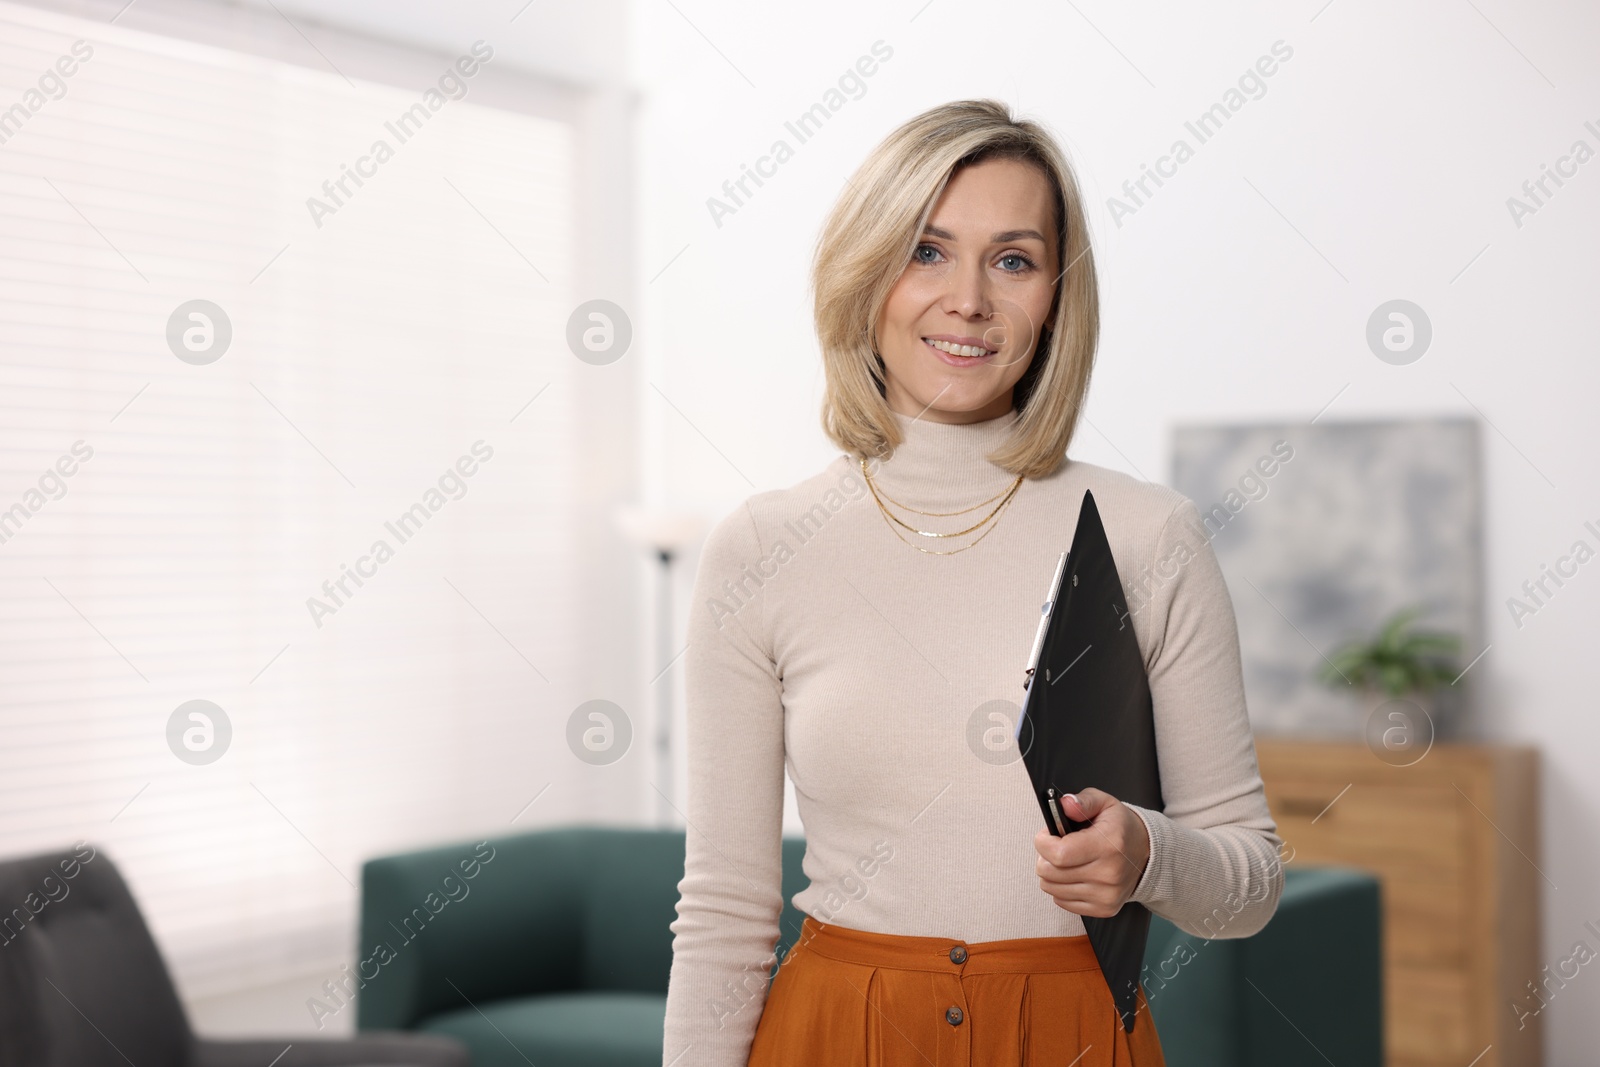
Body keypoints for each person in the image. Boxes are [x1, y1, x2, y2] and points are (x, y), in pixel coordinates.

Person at [660, 98, 1284, 1067]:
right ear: (866, 273)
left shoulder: (1149, 534)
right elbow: (725, 910)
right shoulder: (761, 548)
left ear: (1055, 295)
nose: (968, 300)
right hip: (833, 1034)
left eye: (1013, 259)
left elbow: (1250, 881)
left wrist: (1147, 855)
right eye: (925, 250)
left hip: (1076, 1034)